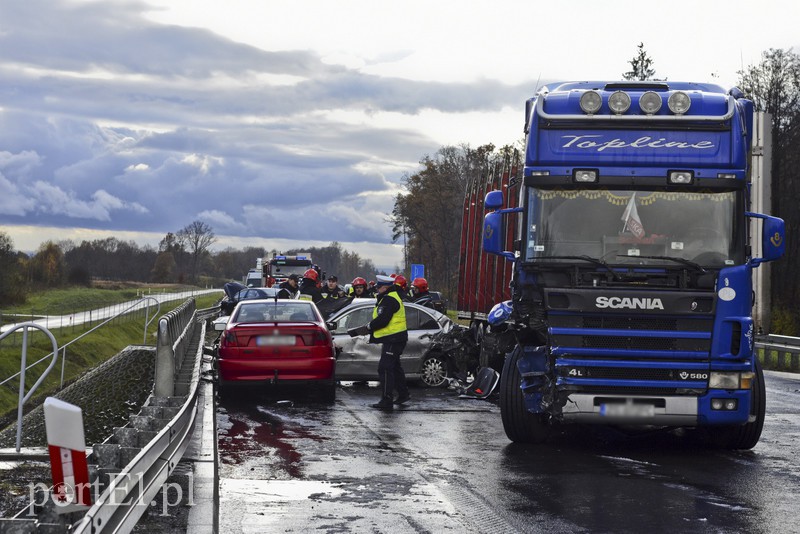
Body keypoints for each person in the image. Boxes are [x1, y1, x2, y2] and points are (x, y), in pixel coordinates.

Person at [349, 274, 410, 410]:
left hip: (393, 338)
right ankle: (403, 394)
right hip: (394, 338)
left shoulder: (389, 299)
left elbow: (383, 320)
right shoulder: (391, 297)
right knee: (395, 367)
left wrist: (369, 327)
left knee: (385, 368)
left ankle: (387, 400)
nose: (377, 289)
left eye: (379, 287)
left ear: (385, 288)